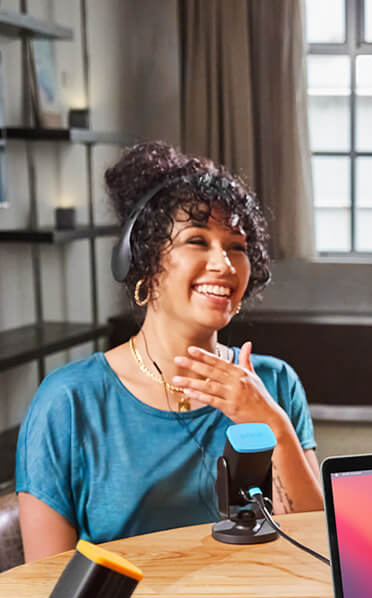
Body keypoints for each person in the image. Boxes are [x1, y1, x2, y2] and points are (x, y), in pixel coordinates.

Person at [16, 142, 323, 562]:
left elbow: (313, 549)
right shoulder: (69, 402)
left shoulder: (274, 384)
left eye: (237, 245)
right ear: (142, 262)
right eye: (197, 241)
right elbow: (45, 586)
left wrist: (270, 422)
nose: (226, 264)